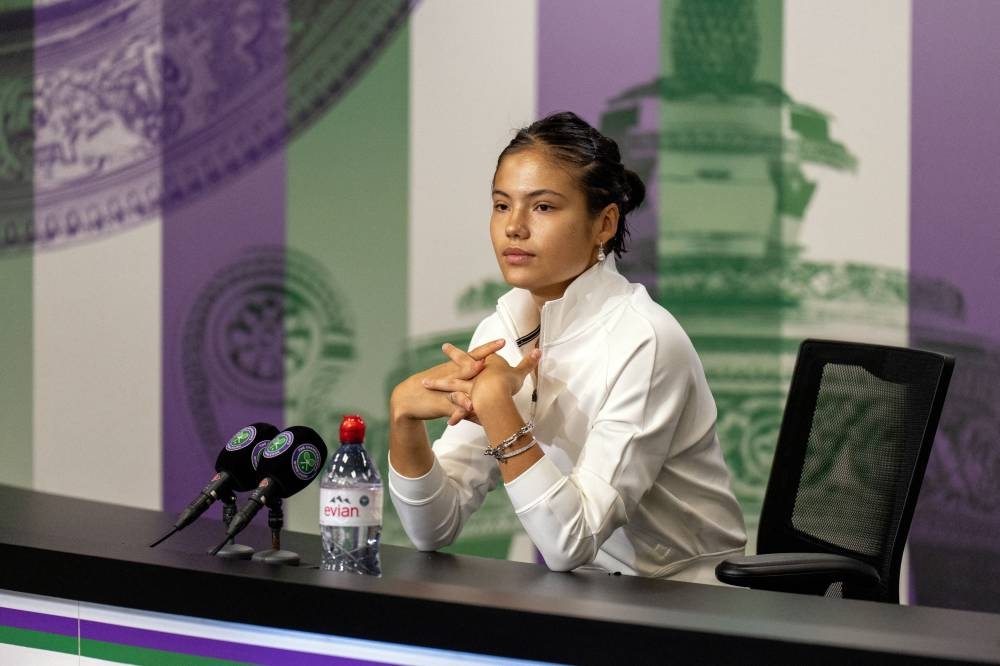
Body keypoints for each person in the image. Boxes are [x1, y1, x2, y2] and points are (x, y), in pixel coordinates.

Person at [388, 111, 746, 582]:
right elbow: (433, 528)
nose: (514, 227)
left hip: (692, 608)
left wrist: (497, 405)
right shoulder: (502, 327)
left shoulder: (645, 339)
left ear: (605, 224)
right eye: (501, 205)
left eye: (543, 207)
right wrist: (404, 421)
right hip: (586, 598)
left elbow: (569, 542)